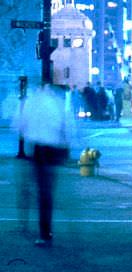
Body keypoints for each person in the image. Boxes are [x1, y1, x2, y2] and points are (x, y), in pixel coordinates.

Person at [12, 83, 74, 246]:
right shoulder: (59, 102)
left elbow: (18, 125)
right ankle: (45, 231)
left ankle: (30, 226)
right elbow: (68, 126)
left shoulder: (30, 102)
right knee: (46, 192)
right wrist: (66, 145)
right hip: (53, 149)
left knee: (36, 189)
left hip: (37, 149)